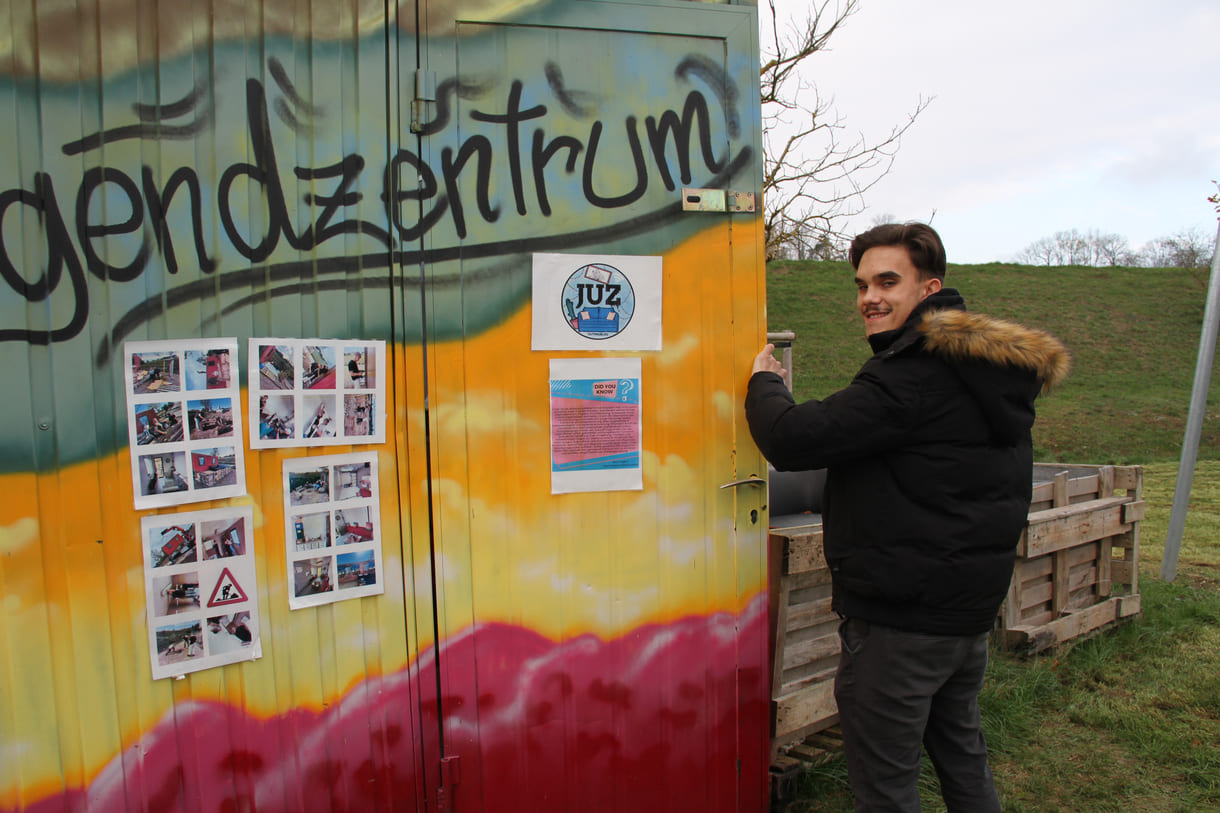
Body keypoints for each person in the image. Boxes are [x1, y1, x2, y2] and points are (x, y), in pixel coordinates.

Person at [745, 222, 1070, 812]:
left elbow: (791, 439)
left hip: (900, 624)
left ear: (929, 288)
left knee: (886, 785)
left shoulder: (913, 374)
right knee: (962, 759)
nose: (870, 297)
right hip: (963, 618)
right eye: (863, 283)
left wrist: (764, 382)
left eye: (888, 281)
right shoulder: (983, 374)